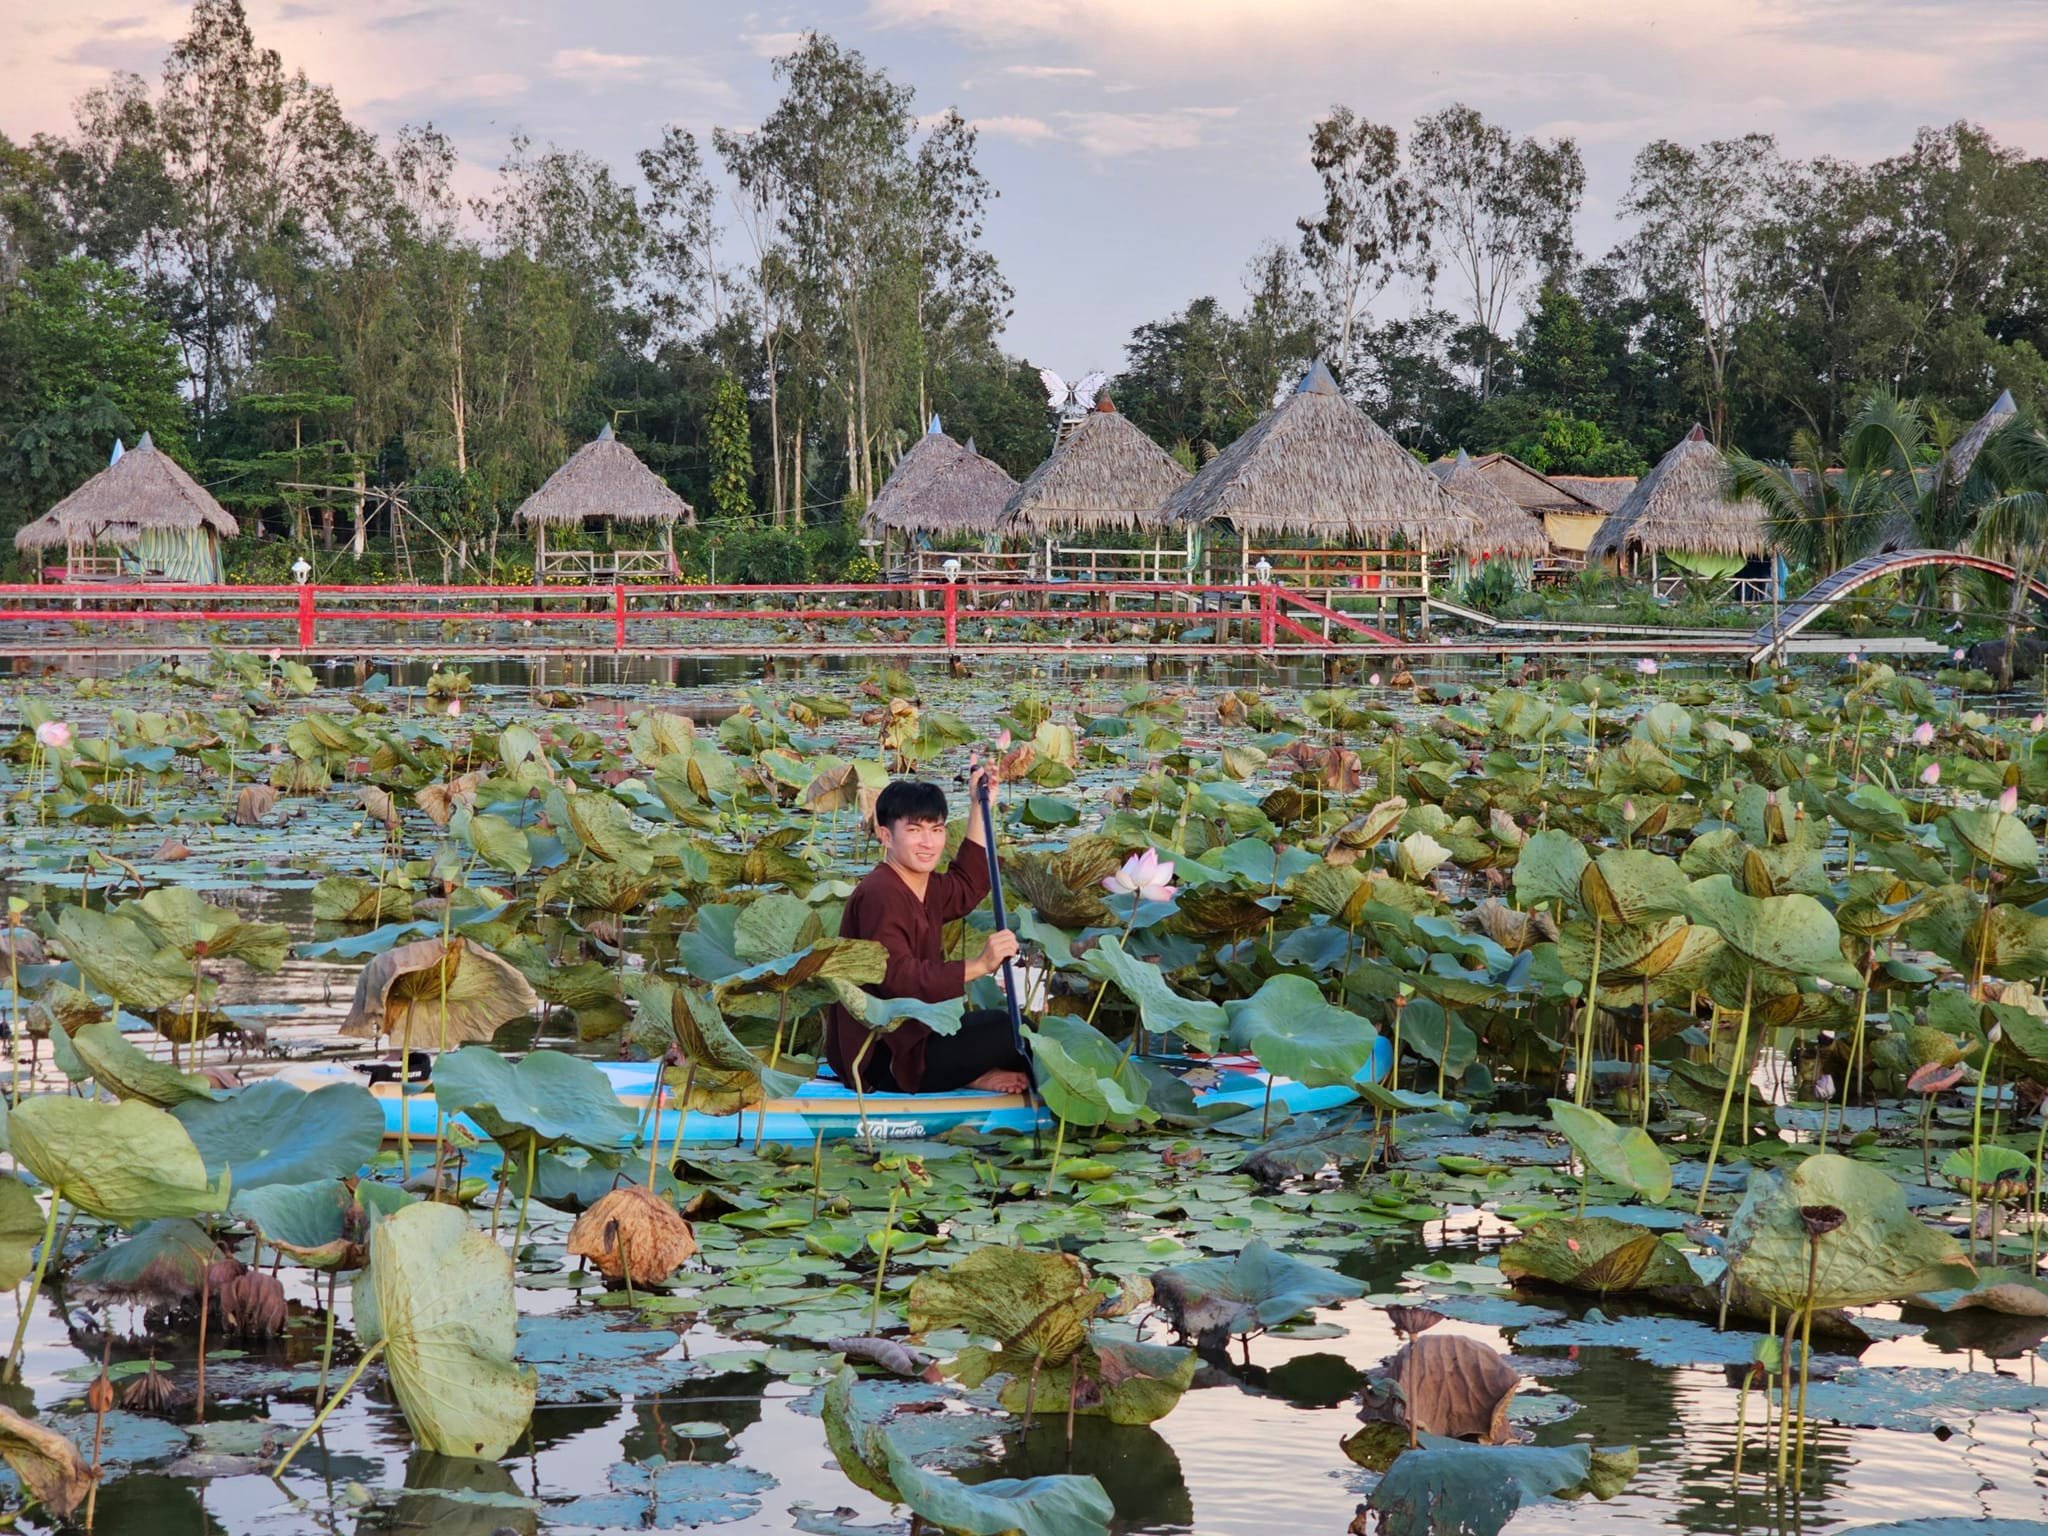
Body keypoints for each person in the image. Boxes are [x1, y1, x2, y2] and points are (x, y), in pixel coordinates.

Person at [824, 768, 1034, 1096]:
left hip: (923, 1035)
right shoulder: (881, 893)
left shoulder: (925, 886)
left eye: (936, 830)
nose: (928, 842)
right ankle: (975, 1078)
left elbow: (969, 883)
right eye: (914, 830)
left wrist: (980, 807)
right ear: (886, 836)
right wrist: (980, 965)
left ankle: (972, 1075)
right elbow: (896, 975)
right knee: (1013, 1032)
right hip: (884, 1057)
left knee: (1020, 1034)